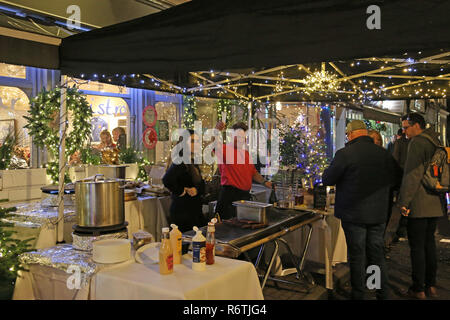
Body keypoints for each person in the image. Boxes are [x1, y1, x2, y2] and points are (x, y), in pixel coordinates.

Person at [322, 120, 400, 300]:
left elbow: (328, 179)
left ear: (351, 134)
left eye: (348, 135)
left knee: (357, 255)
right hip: (378, 213)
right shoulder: (383, 154)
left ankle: (359, 295)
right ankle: (380, 292)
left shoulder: (345, 154)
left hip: (353, 213)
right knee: (376, 254)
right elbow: (397, 178)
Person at [397, 113, 446, 299]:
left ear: (416, 125)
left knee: (417, 247)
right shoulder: (435, 140)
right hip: (434, 201)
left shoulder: (417, 143)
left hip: (419, 202)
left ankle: (418, 288)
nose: (404, 132)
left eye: (406, 127)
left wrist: (404, 202)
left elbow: (412, 175)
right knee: (429, 245)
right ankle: (431, 284)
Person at [214, 121, 272, 220]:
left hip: (243, 197)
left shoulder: (245, 154)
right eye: (238, 137)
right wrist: (216, 130)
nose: (240, 140)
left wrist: (265, 182)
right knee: (228, 230)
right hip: (229, 197)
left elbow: (253, 173)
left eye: (243, 137)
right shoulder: (225, 150)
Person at [162, 129, 207, 232]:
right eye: (192, 141)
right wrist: (181, 191)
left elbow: (199, 183)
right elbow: (167, 180)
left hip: (192, 212)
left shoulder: (191, 159)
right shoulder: (181, 160)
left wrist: (196, 190)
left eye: (198, 141)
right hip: (183, 213)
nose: (196, 144)